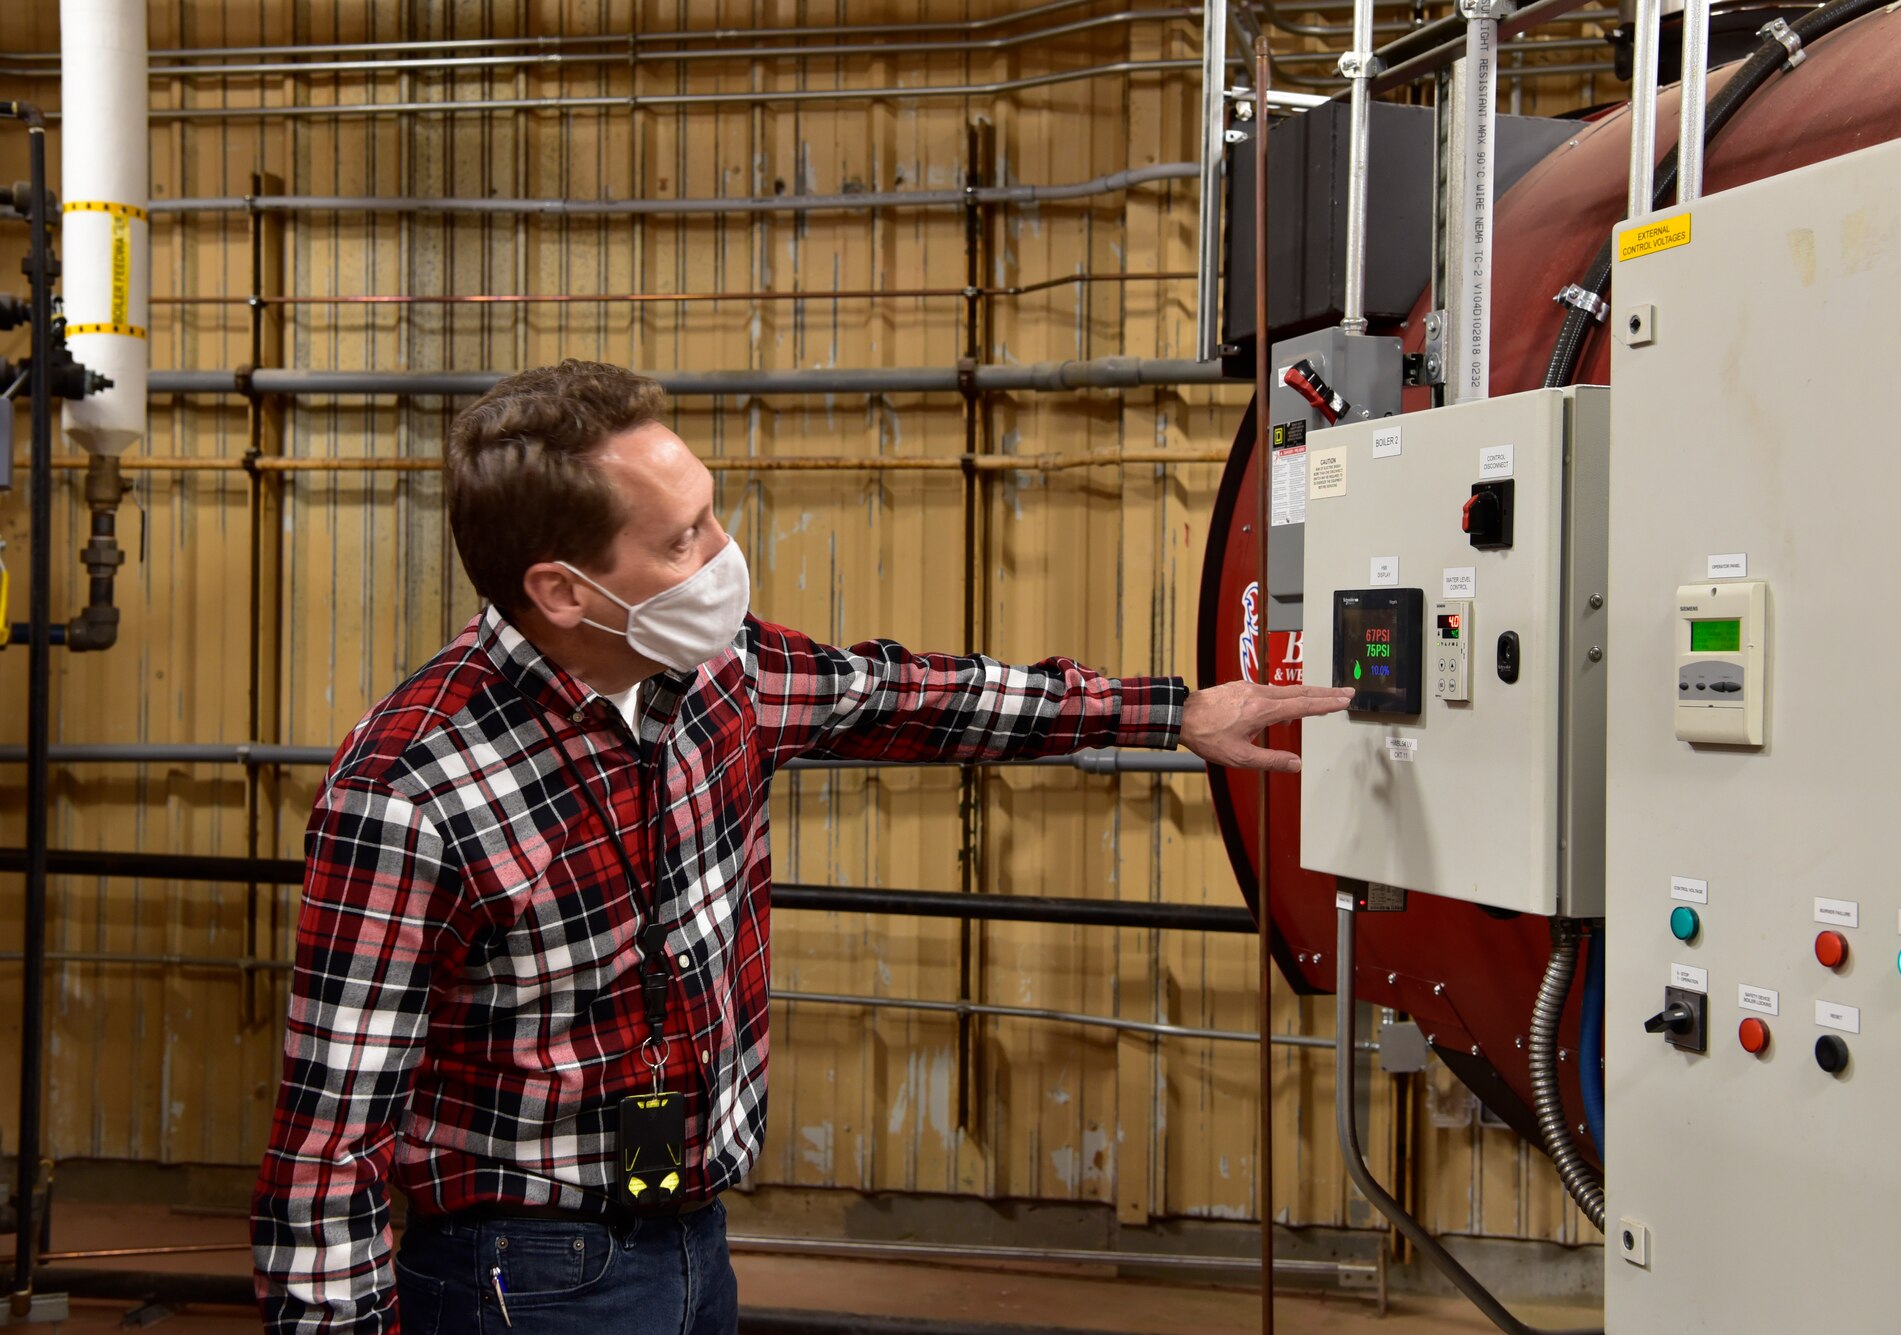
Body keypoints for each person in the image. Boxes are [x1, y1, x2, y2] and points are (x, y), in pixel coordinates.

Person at [251, 359, 1355, 1334]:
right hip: (522, 1273)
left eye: (712, 514)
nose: (724, 554)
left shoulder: (715, 676)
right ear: (559, 589)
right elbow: (325, 1151)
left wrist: (1171, 714)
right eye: (682, 537)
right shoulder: (409, 791)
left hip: (689, 1233)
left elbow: (920, 697)